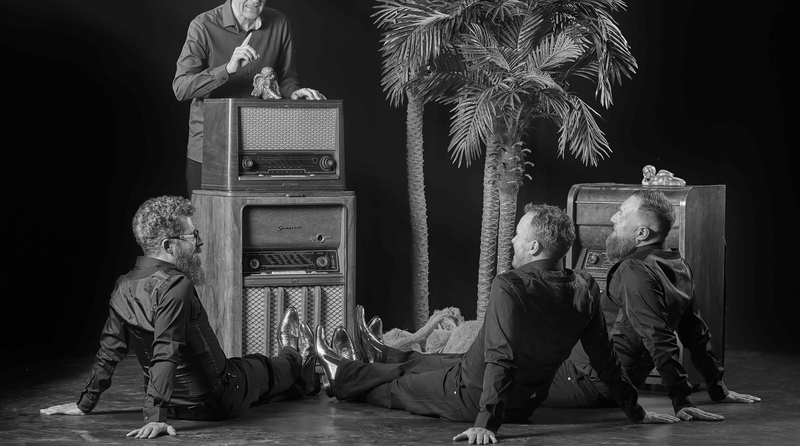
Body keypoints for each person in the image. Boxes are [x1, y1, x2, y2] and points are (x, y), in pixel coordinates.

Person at [315, 204, 679, 445]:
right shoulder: (583, 286)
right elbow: (605, 359)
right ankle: (372, 356)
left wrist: (484, 423)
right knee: (433, 363)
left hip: (467, 396)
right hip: (522, 403)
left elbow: (501, 357)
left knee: (397, 390)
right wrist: (636, 410)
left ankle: (338, 375)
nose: (513, 239)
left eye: (519, 235)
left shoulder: (511, 283)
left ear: (534, 246)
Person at [40, 195, 317, 439]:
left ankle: (309, 384)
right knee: (262, 367)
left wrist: (85, 403)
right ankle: (297, 355)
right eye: (192, 236)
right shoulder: (177, 285)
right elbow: (166, 350)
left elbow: (110, 349)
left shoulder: (123, 284)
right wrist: (155, 418)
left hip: (175, 408)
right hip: (216, 400)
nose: (200, 243)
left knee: (264, 390)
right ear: (168, 245)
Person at [545, 189, 761, 420]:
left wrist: (682, 401)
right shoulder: (678, 265)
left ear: (642, 232)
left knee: (515, 380)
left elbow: (658, 338)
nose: (612, 218)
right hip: (611, 380)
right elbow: (695, 334)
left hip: (587, 380)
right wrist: (717, 388)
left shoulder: (634, 269)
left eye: (621, 213)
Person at [173, 0, 325, 196]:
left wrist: (295, 93)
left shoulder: (279, 23)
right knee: (206, 230)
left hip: (262, 149)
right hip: (208, 151)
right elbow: (181, 88)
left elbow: (286, 78)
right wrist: (228, 69)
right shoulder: (202, 26)